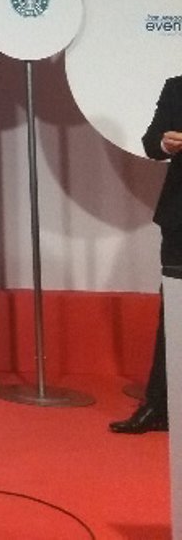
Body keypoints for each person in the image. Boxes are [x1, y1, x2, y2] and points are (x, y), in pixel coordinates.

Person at [111, 76, 182, 434]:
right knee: (174, 313)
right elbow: (151, 143)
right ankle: (159, 405)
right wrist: (164, 144)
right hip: (180, 218)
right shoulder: (177, 88)